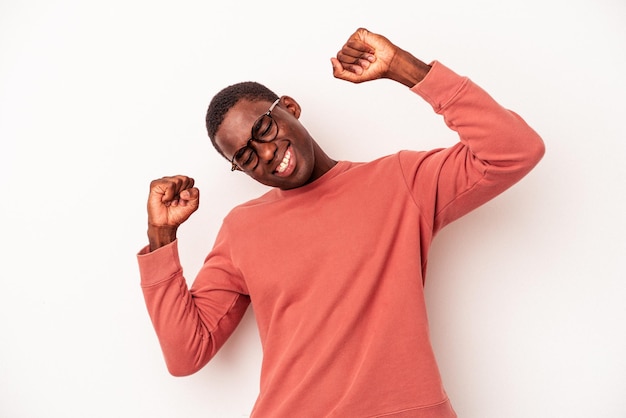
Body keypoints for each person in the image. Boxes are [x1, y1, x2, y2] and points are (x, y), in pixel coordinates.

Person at [137, 27, 545, 417]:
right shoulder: (241, 228)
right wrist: (161, 237)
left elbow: (514, 151)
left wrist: (406, 69)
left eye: (264, 128)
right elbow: (186, 354)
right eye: (244, 157)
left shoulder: (399, 182)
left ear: (290, 109)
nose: (263, 154)